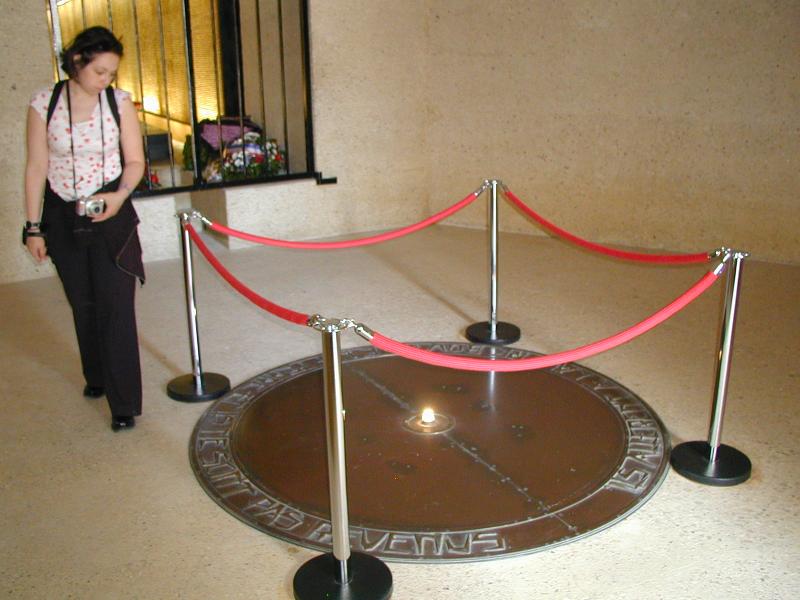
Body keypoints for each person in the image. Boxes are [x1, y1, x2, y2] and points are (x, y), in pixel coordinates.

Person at [24, 26, 145, 431]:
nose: (106, 80)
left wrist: (119, 196)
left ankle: (124, 403)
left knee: (116, 306)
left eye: (112, 73)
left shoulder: (119, 103)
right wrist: (33, 227)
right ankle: (96, 377)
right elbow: (36, 167)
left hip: (111, 211)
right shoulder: (44, 103)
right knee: (84, 304)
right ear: (77, 62)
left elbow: (135, 162)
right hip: (61, 214)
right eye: (100, 72)